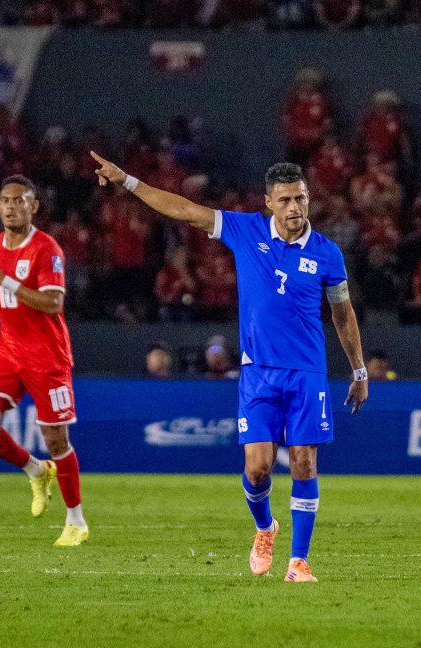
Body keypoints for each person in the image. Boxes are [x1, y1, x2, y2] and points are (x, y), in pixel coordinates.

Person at [91, 153, 368, 583]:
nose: (294, 207)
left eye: (301, 198)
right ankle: (265, 527)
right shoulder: (245, 230)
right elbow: (184, 209)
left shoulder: (327, 253)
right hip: (258, 373)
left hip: (307, 372)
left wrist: (359, 371)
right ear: (268, 203)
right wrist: (128, 181)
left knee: (304, 463)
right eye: (285, 200)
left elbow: (343, 315)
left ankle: (298, 562)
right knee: (257, 469)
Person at [0, 175, 88, 547]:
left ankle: (76, 521)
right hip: (9, 351)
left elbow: (53, 303)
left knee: (56, 440)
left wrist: (6, 281)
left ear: (33, 206)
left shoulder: (46, 249)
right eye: (5, 200)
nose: (11, 206)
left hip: (47, 356)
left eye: (19, 200)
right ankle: (35, 470)